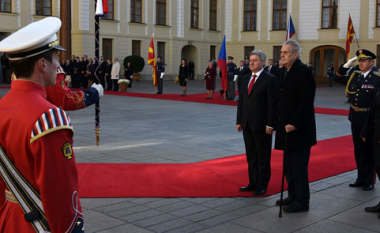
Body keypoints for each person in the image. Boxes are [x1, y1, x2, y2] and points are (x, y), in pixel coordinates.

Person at [0, 17, 84, 233]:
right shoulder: (49, 118)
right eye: (56, 58)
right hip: (37, 225)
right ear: (42, 64)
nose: (59, 65)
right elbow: (60, 193)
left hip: (9, 218)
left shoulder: (2, 106)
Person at [274, 40, 316, 213]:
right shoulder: (281, 71)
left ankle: (302, 201)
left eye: (285, 52)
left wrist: (294, 122)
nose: (281, 55)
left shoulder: (304, 72)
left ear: (295, 55)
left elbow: (305, 102)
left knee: (298, 166)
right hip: (284, 128)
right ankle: (292, 195)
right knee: (288, 165)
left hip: (298, 129)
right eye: (281, 52)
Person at [236, 50, 277, 196]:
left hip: (262, 125)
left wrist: (271, 124)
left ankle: (262, 184)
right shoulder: (245, 77)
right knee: (251, 155)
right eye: (250, 60)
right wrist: (239, 120)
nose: (251, 62)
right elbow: (241, 101)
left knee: (263, 156)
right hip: (247, 124)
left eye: (254, 60)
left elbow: (273, 104)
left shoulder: (270, 79)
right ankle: (252, 182)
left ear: (263, 63)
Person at [344, 49, 380, 191]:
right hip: (356, 117)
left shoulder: (377, 78)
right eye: (359, 61)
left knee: (369, 151)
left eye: (364, 61)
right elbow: (338, 78)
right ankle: (360, 177)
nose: (361, 63)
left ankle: (368, 180)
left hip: (369, 119)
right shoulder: (355, 76)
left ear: (371, 63)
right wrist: (347, 65)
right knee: (358, 149)